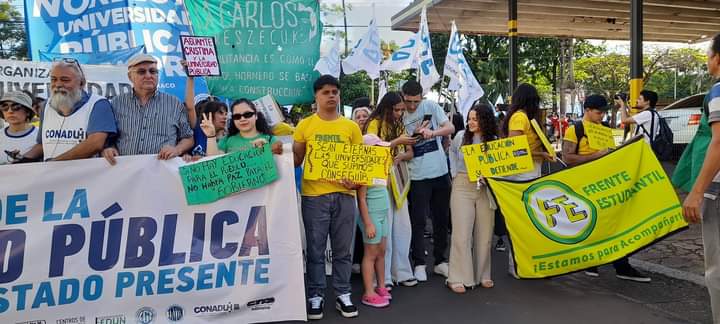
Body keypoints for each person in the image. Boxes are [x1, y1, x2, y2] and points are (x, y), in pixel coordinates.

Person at [293, 75, 362, 320]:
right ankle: (316, 295)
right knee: (315, 250)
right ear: (316, 96)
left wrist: (354, 180)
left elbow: (358, 165)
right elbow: (296, 160)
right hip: (314, 197)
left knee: (344, 250)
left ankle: (343, 293)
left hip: (344, 196)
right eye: (326, 92)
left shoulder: (351, 127)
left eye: (335, 92)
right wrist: (273, 150)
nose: (331, 96)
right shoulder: (305, 126)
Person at [562, 95, 651, 282]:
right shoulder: (575, 130)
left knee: (613, 222)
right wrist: (595, 156)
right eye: (598, 112)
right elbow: (568, 158)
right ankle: (592, 262)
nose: (601, 115)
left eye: (603, 112)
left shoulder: (605, 130)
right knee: (591, 222)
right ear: (587, 110)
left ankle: (620, 264)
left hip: (605, 184)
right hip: (584, 185)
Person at [678, 34, 720, 324]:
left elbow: (719, 143)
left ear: (718, 58)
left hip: (718, 192)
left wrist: (696, 191)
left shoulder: (718, 92)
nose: (707, 59)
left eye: (707, 53)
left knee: (718, 270)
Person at [401, 80, 455, 281]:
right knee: (418, 221)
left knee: (441, 219)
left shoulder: (431, 106)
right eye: (409, 101)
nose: (413, 106)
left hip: (440, 172)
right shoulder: (400, 113)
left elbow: (450, 127)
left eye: (416, 101)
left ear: (422, 97)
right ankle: (419, 263)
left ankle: (441, 260)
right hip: (416, 176)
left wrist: (433, 133)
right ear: (402, 96)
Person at [364, 91, 417, 288]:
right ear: (387, 108)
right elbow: (372, 152)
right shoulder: (374, 124)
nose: (400, 113)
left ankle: (402, 272)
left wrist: (402, 154)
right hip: (380, 183)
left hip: (399, 181)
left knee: (403, 228)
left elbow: (409, 152)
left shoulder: (400, 124)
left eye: (402, 110)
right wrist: (397, 143)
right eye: (397, 110)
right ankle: (383, 277)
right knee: (385, 231)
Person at [102, 54, 193, 164]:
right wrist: (109, 148)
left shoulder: (174, 103)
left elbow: (188, 138)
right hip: (125, 173)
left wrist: (176, 149)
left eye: (153, 71)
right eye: (141, 72)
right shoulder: (117, 103)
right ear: (130, 77)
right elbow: (109, 138)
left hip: (162, 173)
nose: (148, 75)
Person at [21, 58, 117, 162]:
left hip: (87, 176)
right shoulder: (46, 106)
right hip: (51, 175)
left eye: (65, 80)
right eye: (53, 79)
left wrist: (56, 162)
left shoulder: (98, 104)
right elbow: (42, 145)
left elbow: (95, 143)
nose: (57, 85)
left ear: (81, 83)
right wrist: (21, 159)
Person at [447, 103, 499, 293]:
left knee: (485, 234)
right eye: (469, 118)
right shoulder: (461, 136)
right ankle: (457, 277)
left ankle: (483, 275)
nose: (470, 122)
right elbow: (451, 152)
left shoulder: (494, 140)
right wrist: (453, 173)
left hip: (486, 189)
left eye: (475, 119)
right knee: (461, 234)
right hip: (462, 185)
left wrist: (491, 177)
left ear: (485, 120)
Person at [356, 134, 393, 308]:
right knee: (371, 254)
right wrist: (368, 222)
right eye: (378, 148)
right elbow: (361, 198)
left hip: (383, 214)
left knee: (382, 252)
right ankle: (368, 292)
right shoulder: (363, 169)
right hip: (371, 215)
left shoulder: (382, 166)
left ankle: (381, 285)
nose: (382, 150)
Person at [200, 99, 281, 155]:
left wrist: (267, 150)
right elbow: (214, 163)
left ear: (256, 115)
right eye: (237, 116)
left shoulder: (271, 139)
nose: (242, 119)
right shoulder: (227, 140)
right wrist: (210, 136)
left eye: (247, 114)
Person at [0, 92, 38, 164]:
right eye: (4, 107)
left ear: (28, 112)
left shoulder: (41, 135)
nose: (10, 111)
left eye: (16, 107)